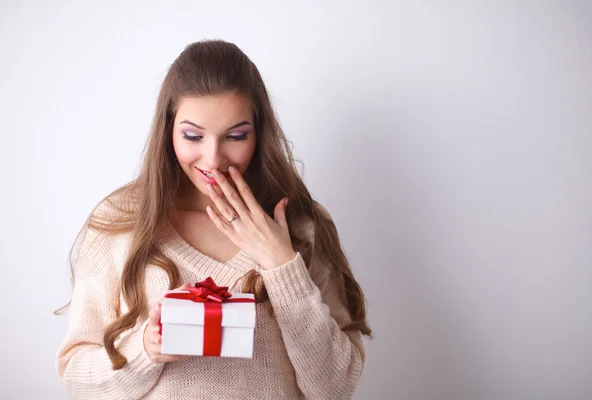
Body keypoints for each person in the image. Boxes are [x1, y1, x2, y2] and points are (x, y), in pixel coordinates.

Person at [55, 39, 372, 399]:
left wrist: (283, 266)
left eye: (236, 136)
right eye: (192, 136)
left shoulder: (301, 226)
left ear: (259, 132)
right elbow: (77, 376)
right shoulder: (121, 221)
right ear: (168, 131)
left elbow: (335, 388)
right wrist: (145, 350)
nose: (213, 158)